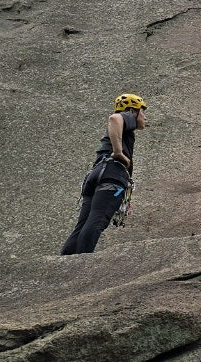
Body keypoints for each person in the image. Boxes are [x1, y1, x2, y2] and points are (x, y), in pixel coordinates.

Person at [60, 93, 147, 255]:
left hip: (96, 175)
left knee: (83, 224)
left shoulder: (124, 130)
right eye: (143, 111)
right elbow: (115, 118)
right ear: (133, 111)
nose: (145, 116)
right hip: (113, 175)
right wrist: (119, 153)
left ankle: (64, 262)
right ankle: (80, 263)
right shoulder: (127, 116)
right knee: (97, 220)